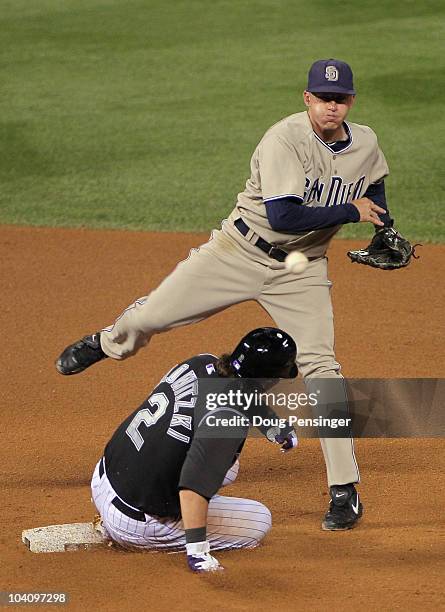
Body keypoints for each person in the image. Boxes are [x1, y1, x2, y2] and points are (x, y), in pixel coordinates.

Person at [57, 58, 397, 531]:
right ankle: (107, 342)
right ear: (307, 99)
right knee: (153, 315)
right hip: (236, 252)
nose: (331, 107)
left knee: (322, 368)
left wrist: (384, 225)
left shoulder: (366, 141)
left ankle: (345, 489)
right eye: (323, 98)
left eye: (339, 99)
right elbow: (283, 218)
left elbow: (374, 185)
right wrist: (354, 211)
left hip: (300, 270)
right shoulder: (284, 139)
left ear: (352, 101)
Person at [90, 327, 299, 573]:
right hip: (133, 523)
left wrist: (270, 424)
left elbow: (240, 389)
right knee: (258, 520)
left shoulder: (200, 363)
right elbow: (192, 490)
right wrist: (198, 552)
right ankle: (157, 536)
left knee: (217, 461)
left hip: (105, 477)